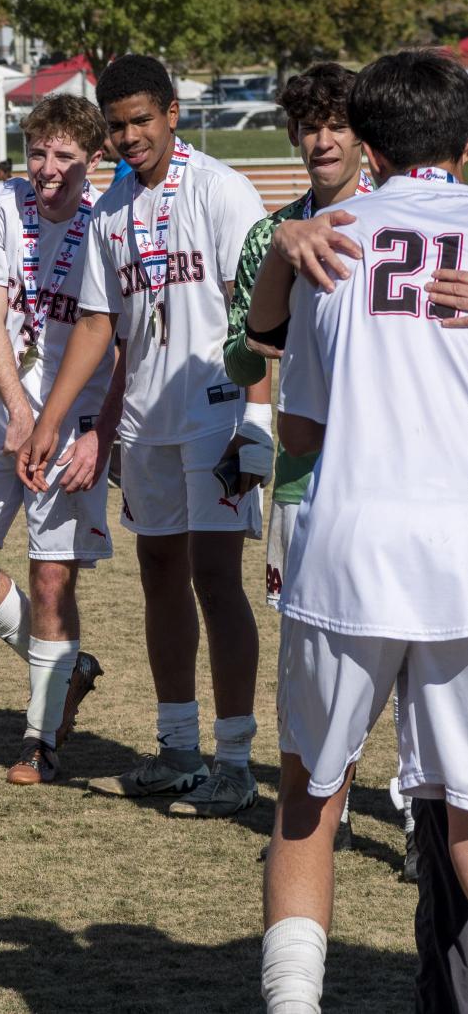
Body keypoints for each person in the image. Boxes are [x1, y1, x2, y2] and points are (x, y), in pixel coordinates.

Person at [250, 50, 468, 1014]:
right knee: (464, 812)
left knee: (308, 800)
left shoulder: (322, 242)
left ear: (367, 144)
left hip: (347, 552)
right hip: (461, 555)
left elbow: (298, 428)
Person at [21, 54, 270, 817]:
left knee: (216, 579)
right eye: (117, 124)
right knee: (158, 573)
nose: (129, 136)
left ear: (170, 113)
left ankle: (234, 760)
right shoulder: (109, 210)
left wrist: (256, 421)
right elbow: (100, 324)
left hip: (216, 415)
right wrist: (51, 418)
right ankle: (177, 750)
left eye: (141, 120)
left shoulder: (221, 189)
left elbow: (253, 313)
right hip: (146, 423)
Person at [223, 64, 404, 860]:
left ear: (365, 138)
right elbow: (238, 349)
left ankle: (417, 820)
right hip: (303, 482)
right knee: (309, 661)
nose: (321, 139)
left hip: (394, 475)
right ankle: (306, 822)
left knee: (412, 660)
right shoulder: (270, 234)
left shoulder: (400, 224)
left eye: (336, 124)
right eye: (308, 126)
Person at [0, 95, 116, 785]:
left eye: (64, 155)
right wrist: (11, 407)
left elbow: (115, 339)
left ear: (92, 159)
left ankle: (40, 737)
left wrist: (92, 430)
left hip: (72, 421)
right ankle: (66, 667)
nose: (47, 167)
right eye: (38, 151)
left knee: (49, 574)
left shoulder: (107, 218)